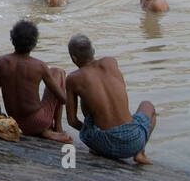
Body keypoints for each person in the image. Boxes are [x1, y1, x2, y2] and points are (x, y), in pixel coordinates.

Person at [65, 33, 156, 165]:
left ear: (73, 58)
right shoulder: (111, 62)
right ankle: (140, 153)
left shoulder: (73, 79)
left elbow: (72, 121)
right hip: (134, 141)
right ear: (93, 51)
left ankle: (97, 144)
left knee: (88, 98)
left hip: (102, 144)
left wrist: (92, 132)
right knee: (148, 105)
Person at [0, 20, 71, 143]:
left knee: (53, 74)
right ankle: (57, 128)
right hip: (38, 121)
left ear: (12, 39)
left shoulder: (0, 61)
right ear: (34, 43)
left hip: (15, 122)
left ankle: (46, 132)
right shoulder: (39, 66)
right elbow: (63, 99)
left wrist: (1, 120)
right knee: (58, 72)